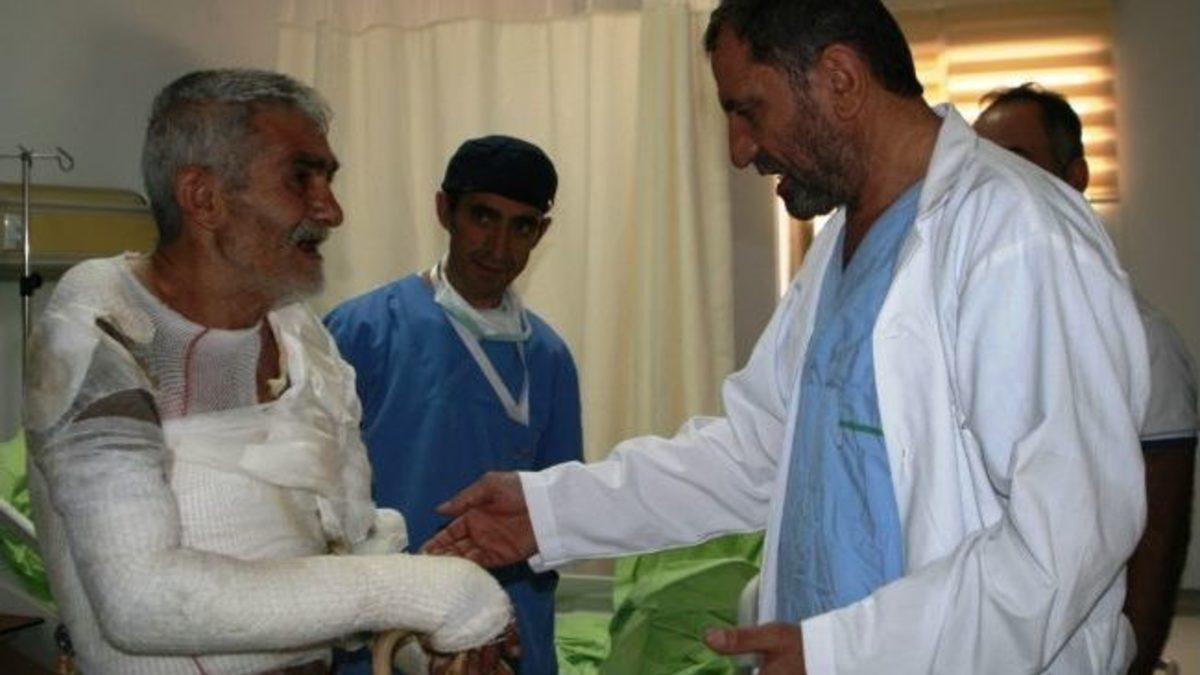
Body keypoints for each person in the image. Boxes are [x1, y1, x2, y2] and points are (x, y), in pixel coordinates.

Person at [425, 0, 1155, 672]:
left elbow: (1070, 537)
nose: (740, 149)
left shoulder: (1017, 235)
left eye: (749, 110)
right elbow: (755, 455)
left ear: (840, 79)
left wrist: (841, 652)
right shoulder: (840, 247)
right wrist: (549, 510)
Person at [23, 69, 513, 674]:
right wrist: (425, 592)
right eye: (300, 178)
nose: (331, 210)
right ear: (203, 197)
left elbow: (344, 549)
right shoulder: (102, 326)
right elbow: (141, 602)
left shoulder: (301, 338)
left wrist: (425, 646)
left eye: (329, 179)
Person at [324, 135, 582, 674]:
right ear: (445, 211)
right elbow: (318, 500)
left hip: (510, 636)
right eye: (483, 217)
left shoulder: (549, 358)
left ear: (541, 233)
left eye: (522, 227)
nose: (499, 247)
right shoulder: (363, 330)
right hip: (386, 631)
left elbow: (558, 515)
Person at [974, 83, 1198, 675]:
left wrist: (1136, 660)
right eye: (980, 164)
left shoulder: (1144, 343)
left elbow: (1159, 532)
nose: (991, 183)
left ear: (1074, 177)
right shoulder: (978, 327)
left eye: (1015, 161)